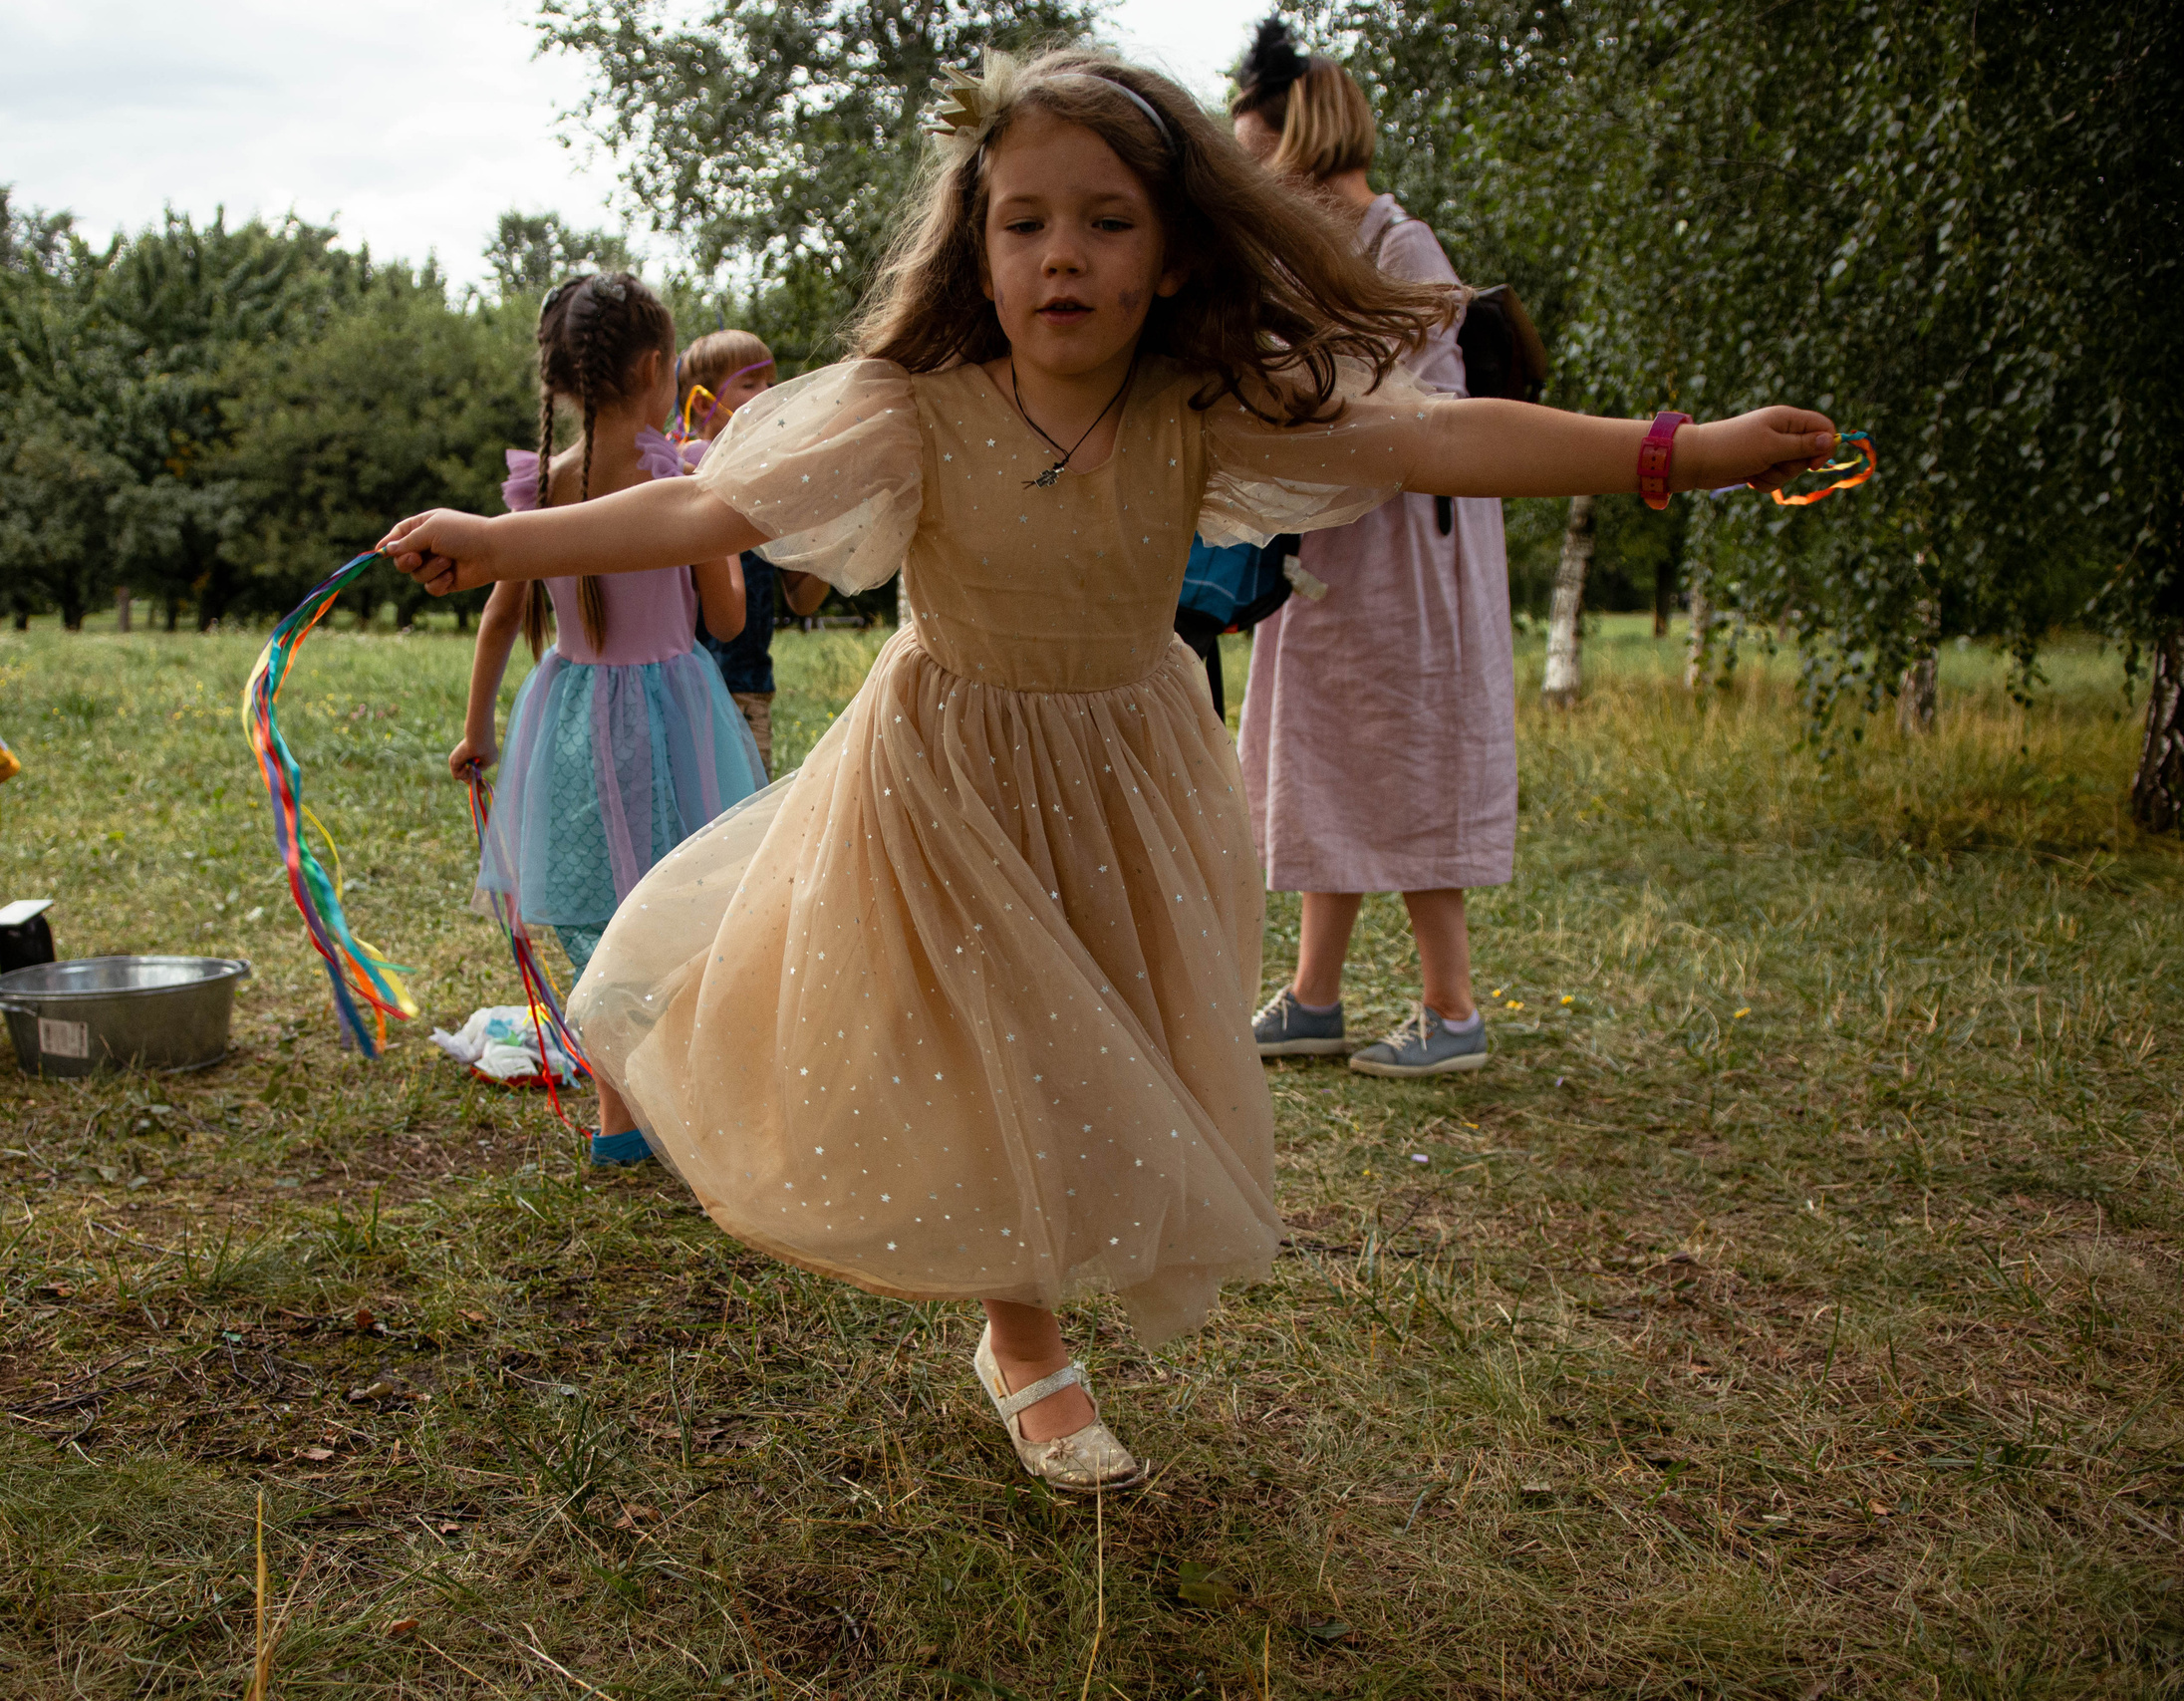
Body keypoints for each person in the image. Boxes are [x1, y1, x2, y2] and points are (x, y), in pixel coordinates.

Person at [383, 48, 1840, 1490]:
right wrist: (501, 538)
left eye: (1105, 221)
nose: (1062, 256)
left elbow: (1433, 432)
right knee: (1002, 1039)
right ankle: (1027, 1342)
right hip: (946, 774)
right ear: (978, 242)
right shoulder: (916, 407)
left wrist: (1682, 450)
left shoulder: (1195, 409)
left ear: (1173, 251)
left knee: (1095, 1049)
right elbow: (704, 504)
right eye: (1025, 222)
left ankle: (1029, 1315)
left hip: (1127, 774)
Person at [1230, 21, 1517, 1079]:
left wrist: (1299, 399)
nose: (1240, 167)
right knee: (1323, 750)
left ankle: (1451, 1011)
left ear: (1289, 135)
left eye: (1247, 146)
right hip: (1333, 543)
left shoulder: (1399, 244)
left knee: (1405, 749)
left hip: (1406, 548)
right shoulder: (1309, 250)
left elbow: (1429, 411)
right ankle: (1314, 997)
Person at [450, 273, 764, 1166]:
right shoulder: (675, 473)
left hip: (573, 715)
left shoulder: (542, 486)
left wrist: (478, 731)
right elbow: (729, 617)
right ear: (662, 368)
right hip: (673, 716)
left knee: (598, 911)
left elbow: (502, 616)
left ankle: (617, 1122)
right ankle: (694, 1107)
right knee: (683, 905)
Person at [677, 328, 831, 772]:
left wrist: (828, 531)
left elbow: (802, 600)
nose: (768, 394)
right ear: (704, 402)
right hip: (682, 689)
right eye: (750, 384)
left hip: (748, 688)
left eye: (771, 382)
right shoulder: (676, 474)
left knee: (744, 814)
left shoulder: (769, 483)